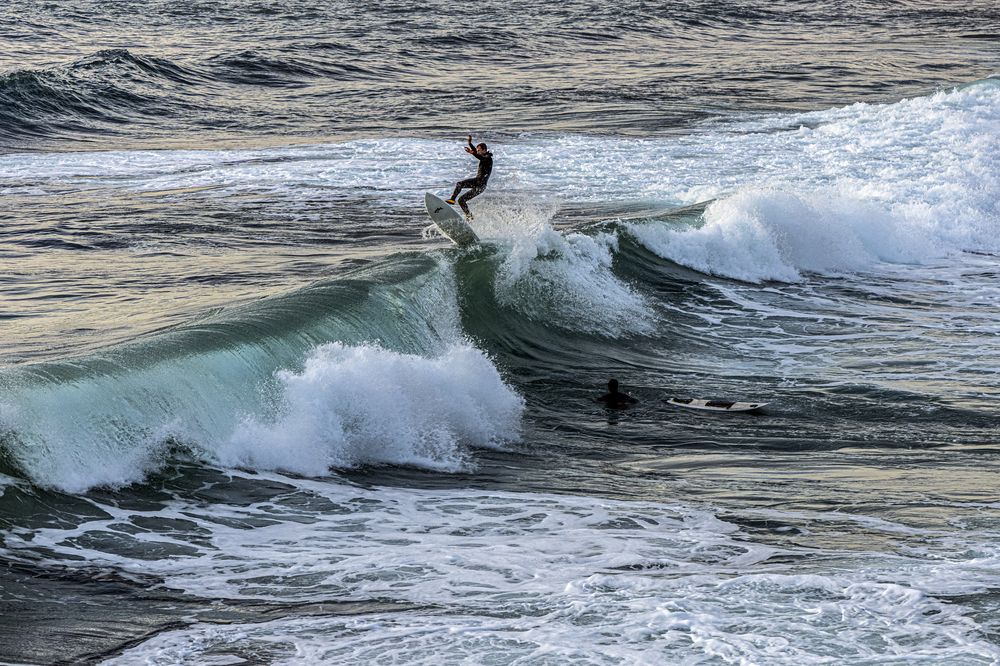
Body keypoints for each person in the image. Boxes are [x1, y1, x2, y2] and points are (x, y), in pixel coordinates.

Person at [447, 135, 493, 219]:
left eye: (479, 150)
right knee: (461, 200)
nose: (477, 152)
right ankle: (469, 216)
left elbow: (480, 157)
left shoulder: (488, 157)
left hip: (479, 182)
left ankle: (452, 199)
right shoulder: (483, 155)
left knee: (459, 184)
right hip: (481, 187)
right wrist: (470, 143)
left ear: (484, 150)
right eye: (477, 150)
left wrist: (472, 152)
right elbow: (476, 153)